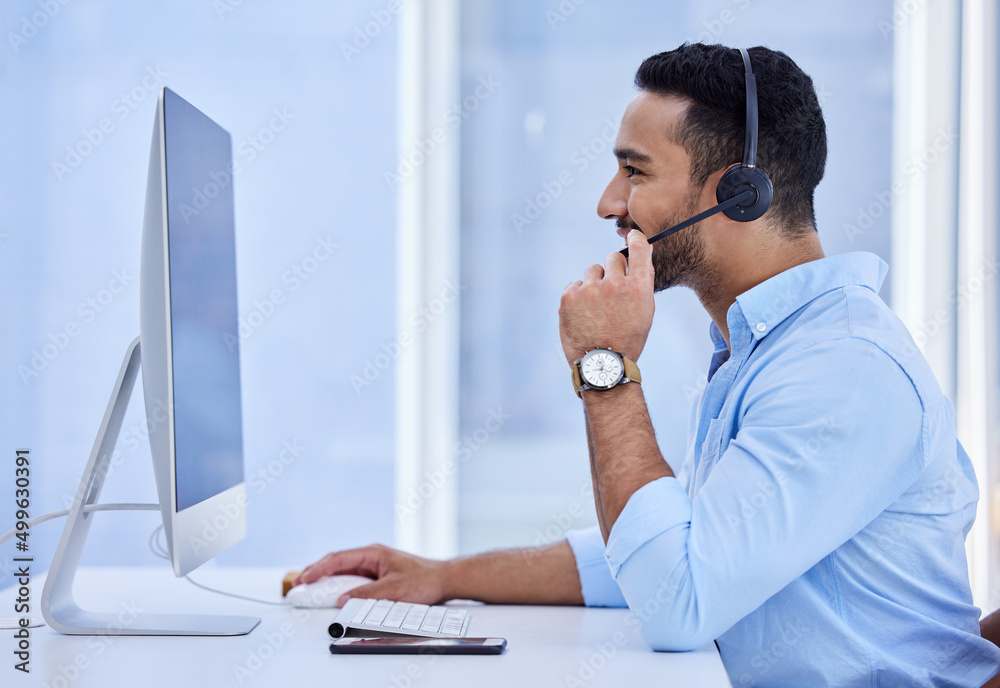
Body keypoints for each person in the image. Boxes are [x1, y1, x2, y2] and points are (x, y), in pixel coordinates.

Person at [298, 44, 1000, 686]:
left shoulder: (841, 371)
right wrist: (446, 576)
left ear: (737, 194)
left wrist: (605, 366)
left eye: (634, 172)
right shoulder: (770, 350)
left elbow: (679, 599)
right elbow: (666, 546)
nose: (609, 202)